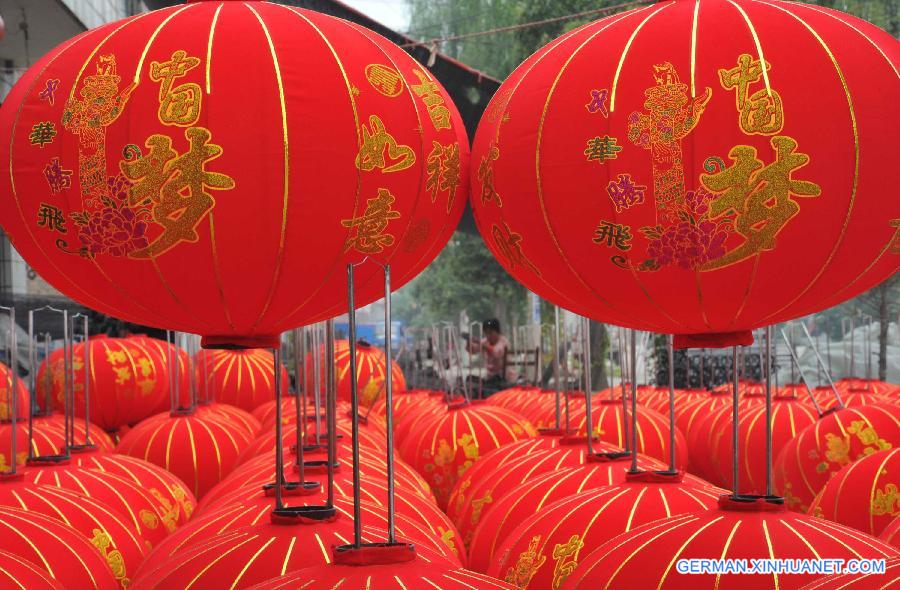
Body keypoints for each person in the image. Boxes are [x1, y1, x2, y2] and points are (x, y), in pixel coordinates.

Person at [468, 318, 512, 394]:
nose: (488, 336)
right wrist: (469, 342)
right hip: (489, 378)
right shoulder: (485, 341)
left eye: (490, 333)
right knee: (469, 380)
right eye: (486, 333)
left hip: (502, 378)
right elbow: (473, 350)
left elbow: (496, 352)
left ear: (497, 332)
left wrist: (480, 343)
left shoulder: (503, 342)